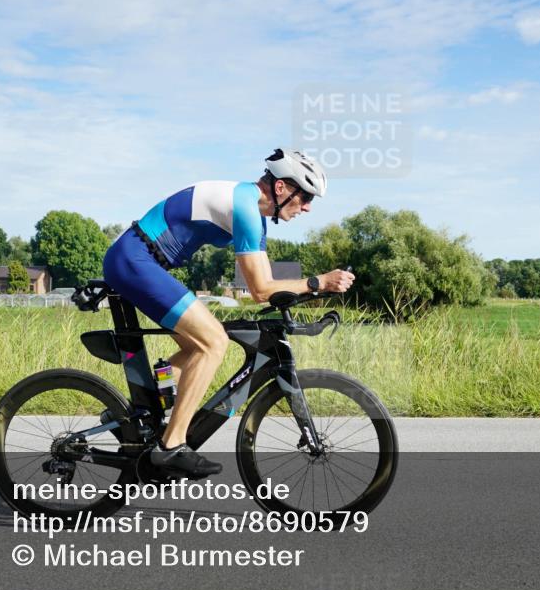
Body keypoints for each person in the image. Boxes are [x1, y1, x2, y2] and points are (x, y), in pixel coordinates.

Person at [102, 148, 355, 477]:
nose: (306, 207)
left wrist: (310, 289)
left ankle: (133, 415)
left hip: (140, 261)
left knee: (197, 346)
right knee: (214, 342)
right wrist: (318, 282)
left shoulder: (252, 212)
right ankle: (171, 446)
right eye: (305, 197)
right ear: (281, 188)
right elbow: (261, 290)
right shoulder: (246, 209)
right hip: (135, 259)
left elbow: (267, 288)